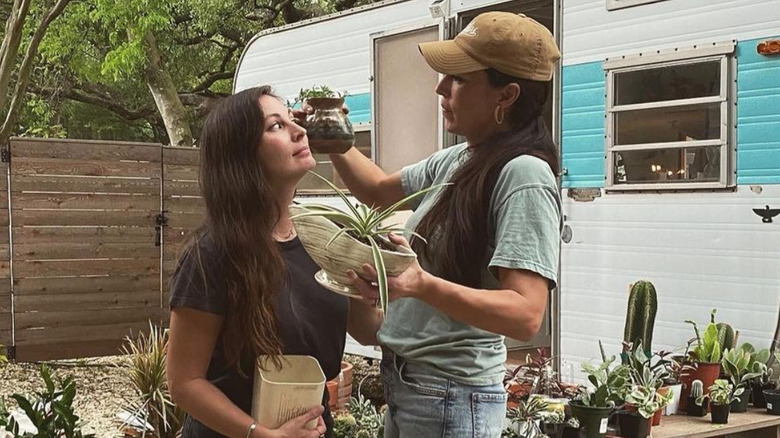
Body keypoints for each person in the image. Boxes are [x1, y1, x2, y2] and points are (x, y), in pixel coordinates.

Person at [325, 12, 563, 437]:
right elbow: (378, 190)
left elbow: (526, 314)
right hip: (414, 388)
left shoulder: (523, 174)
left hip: (453, 396)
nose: (440, 87)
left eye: (459, 79)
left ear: (505, 95)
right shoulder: (459, 158)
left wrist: (418, 283)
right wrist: (336, 140)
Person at [166, 86, 382, 438]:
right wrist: (261, 434)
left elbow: (368, 329)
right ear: (242, 155)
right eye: (275, 126)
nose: (300, 131)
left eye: (293, 121)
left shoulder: (324, 239)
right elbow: (184, 382)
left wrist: (394, 286)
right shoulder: (211, 255)